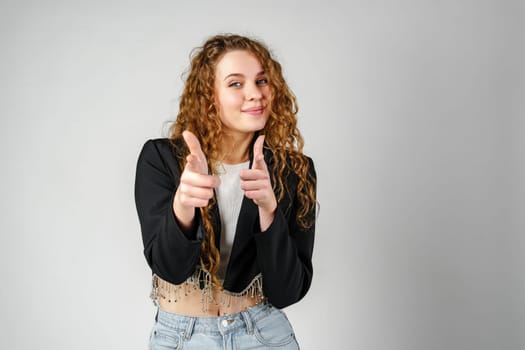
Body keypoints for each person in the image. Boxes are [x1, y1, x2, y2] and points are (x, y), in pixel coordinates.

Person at [134, 33, 317, 350]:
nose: (255, 94)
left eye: (262, 81)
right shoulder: (161, 160)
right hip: (181, 335)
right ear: (209, 97)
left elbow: (288, 291)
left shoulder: (293, 171)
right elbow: (169, 269)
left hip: (263, 333)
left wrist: (268, 213)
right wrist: (182, 209)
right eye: (236, 83)